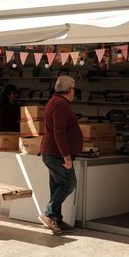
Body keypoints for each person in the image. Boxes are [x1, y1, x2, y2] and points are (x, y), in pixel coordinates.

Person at [39, 76, 83, 235]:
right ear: (70, 90)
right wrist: (66, 156)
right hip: (56, 153)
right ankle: (48, 213)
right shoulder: (61, 105)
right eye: (74, 90)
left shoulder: (55, 101)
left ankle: (56, 220)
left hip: (51, 152)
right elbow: (59, 132)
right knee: (69, 183)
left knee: (57, 186)